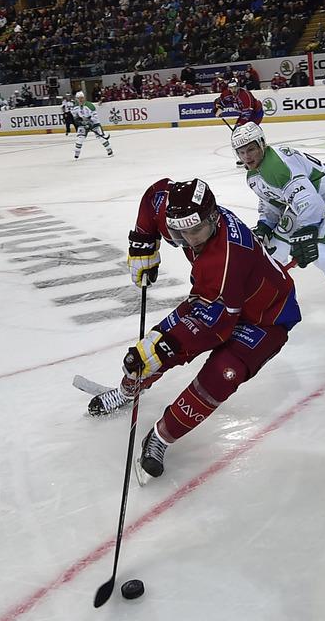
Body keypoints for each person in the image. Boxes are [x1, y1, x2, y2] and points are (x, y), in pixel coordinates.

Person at [86, 178, 301, 479]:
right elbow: (154, 196)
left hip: (266, 317)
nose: (189, 239)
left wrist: (161, 346)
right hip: (218, 301)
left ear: (214, 217)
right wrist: (143, 243)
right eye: (180, 233)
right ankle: (127, 390)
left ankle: (161, 436)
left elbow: (215, 326)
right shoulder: (185, 214)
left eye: (195, 231)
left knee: (223, 375)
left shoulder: (227, 257)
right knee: (154, 350)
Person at [231, 122, 325, 338]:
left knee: (321, 251)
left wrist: (308, 230)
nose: (247, 156)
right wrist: (265, 227)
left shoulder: (277, 165)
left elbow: (310, 201)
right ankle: (260, 305)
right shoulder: (253, 176)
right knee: (273, 253)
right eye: (242, 151)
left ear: (263, 145)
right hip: (306, 205)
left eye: (252, 149)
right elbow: (272, 204)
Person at [71, 91, 114, 159]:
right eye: (79, 98)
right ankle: (77, 153)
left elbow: (95, 117)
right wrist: (81, 123)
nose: (80, 100)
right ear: (76, 99)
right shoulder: (75, 107)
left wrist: (89, 123)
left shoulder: (90, 105)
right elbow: (75, 118)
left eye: (82, 98)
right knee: (80, 138)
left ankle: (109, 149)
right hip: (83, 124)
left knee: (101, 137)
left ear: (84, 98)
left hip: (94, 123)